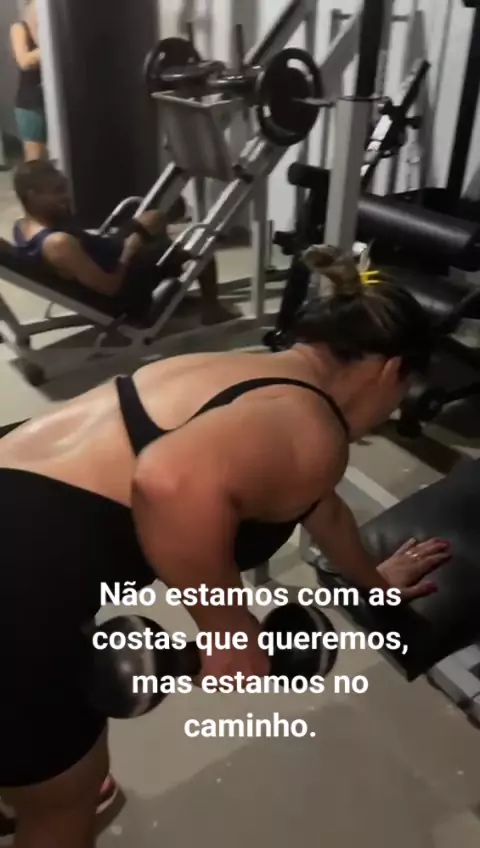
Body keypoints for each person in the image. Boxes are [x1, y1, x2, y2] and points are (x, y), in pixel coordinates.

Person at [0, 245, 451, 847]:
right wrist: (229, 630)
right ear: (393, 371)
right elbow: (170, 481)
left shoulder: (246, 375)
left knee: (35, 763)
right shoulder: (311, 428)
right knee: (66, 801)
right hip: (13, 589)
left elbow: (320, 506)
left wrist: (373, 583)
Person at [12, 159, 235, 325]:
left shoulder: (23, 226)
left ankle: (167, 273)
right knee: (202, 249)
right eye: (57, 192)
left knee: (154, 218)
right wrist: (129, 250)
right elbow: (111, 289)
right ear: (32, 195)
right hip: (125, 281)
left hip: (105, 253)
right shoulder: (59, 244)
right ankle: (212, 311)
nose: (66, 197)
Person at [10, 0, 47, 162]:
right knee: (35, 158)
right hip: (30, 103)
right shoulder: (19, 28)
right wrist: (49, 47)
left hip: (54, 100)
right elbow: (24, 60)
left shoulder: (51, 28)